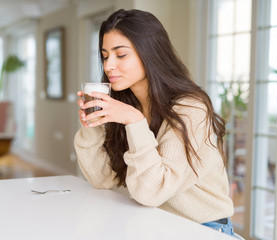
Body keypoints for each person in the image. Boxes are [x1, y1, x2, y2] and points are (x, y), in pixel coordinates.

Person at [74, 9, 235, 236]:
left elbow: (152, 192)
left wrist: (135, 121)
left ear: (150, 53)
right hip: (154, 223)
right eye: (105, 55)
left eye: (120, 55)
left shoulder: (190, 109)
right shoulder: (128, 106)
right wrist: (92, 125)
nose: (109, 65)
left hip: (202, 229)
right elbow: (103, 179)